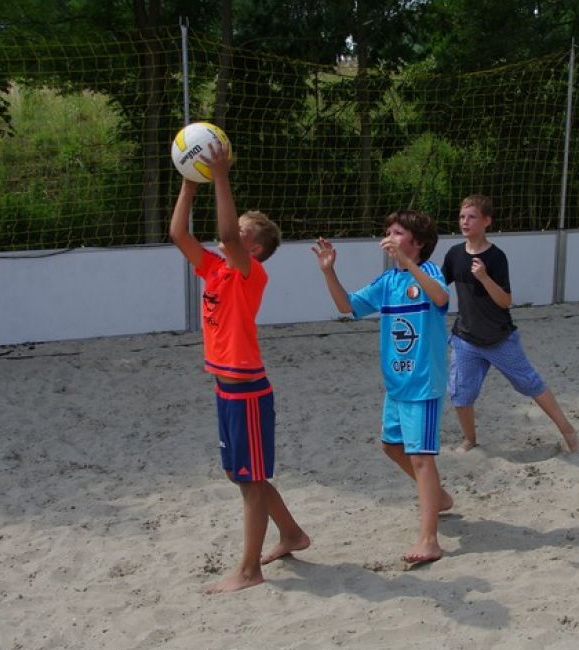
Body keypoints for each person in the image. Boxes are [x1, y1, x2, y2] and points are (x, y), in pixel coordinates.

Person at [169, 141, 310, 594]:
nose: (231, 231)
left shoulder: (251, 273)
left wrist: (221, 175)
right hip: (226, 388)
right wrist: (191, 182)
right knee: (241, 475)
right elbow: (178, 234)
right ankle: (292, 534)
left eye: (243, 229)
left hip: (248, 389)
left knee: (250, 481)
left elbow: (228, 236)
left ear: (255, 247)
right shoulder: (214, 269)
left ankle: (249, 570)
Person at [312, 211, 453, 565]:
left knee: (421, 457)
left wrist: (409, 262)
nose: (389, 236)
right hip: (396, 383)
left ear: (417, 242)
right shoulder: (388, 281)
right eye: (388, 231)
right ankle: (439, 496)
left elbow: (440, 298)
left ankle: (429, 540)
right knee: (391, 446)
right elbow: (346, 305)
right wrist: (328, 271)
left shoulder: (430, 273)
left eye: (398, 232)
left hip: (423, 383)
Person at [443, 194, 579, 453]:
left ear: (487, 221)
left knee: (531, 384)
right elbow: (439, 288)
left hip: (499, 339)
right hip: (465, 339)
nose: (464, 222)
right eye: (462, 216)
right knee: (460, 394)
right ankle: (470, 440)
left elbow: (505, 301)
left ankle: (570, 434)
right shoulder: (454, 254)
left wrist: (484, 277)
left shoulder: (496, 257)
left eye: (471, 217)